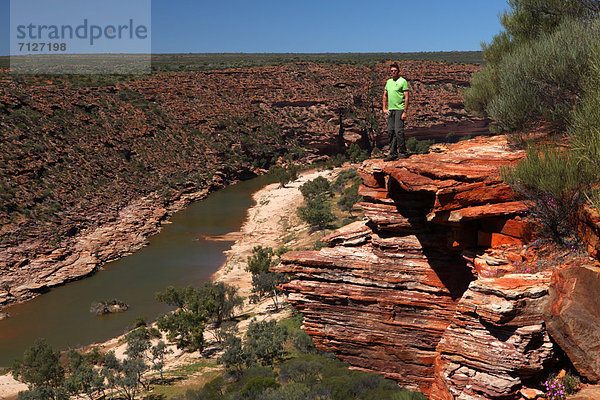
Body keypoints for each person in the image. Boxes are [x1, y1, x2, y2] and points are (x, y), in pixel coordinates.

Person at [382, 63, 410, 160]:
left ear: (398, 71)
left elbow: (406, 97)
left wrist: (405, 111)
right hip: (391, 110)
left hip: (399, 109)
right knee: (391, 132)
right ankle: (392, 154)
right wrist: (384, 108)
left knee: (398, 131)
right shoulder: (388, 82)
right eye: (392, 71)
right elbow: (385, 95)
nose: (393, 72)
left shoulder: (403, 81)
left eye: (395, 70)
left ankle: (403, 152)